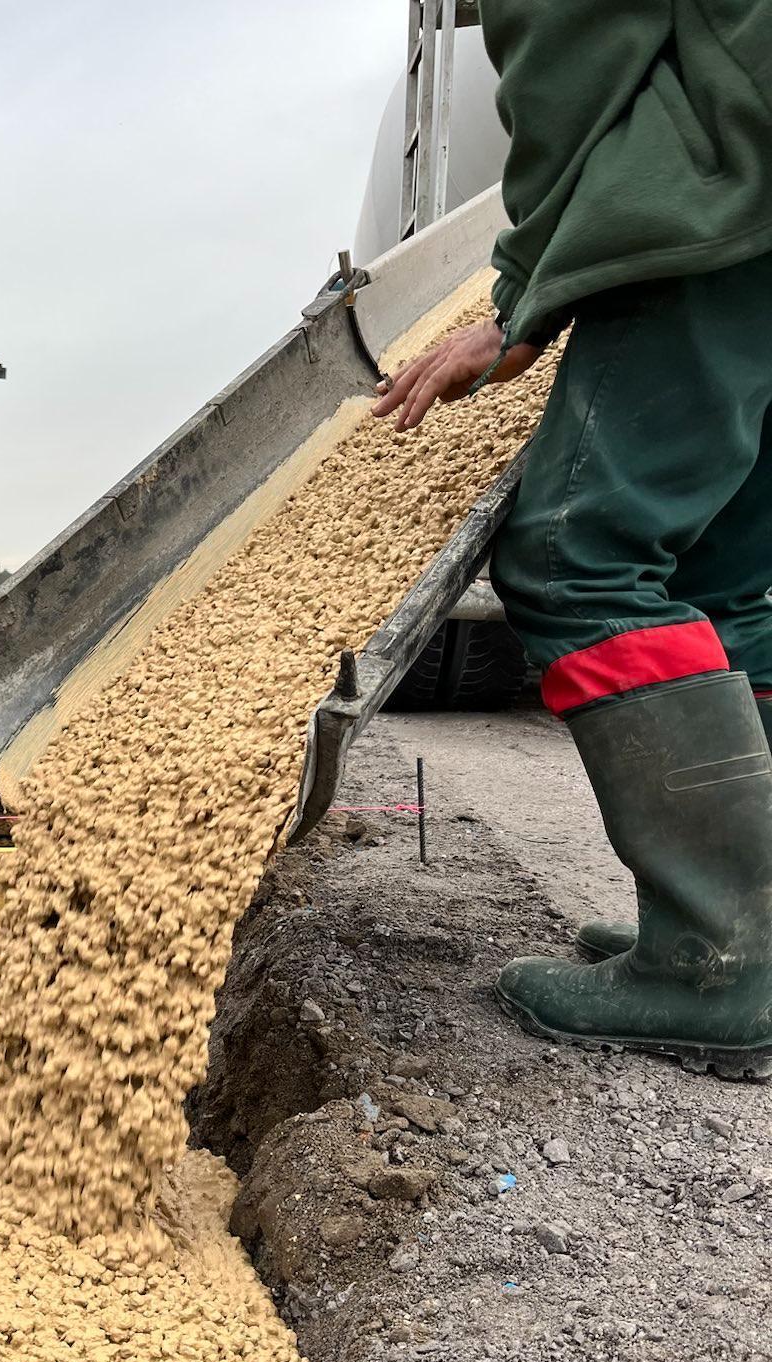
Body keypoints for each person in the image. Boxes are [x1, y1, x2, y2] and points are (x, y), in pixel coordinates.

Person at [373, 1, 772, 1082]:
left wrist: (520, 301)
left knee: (574, 553)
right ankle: (752, 935)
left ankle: (714, 963)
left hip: (728, 187)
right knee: (729, 573)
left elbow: (574, 53)